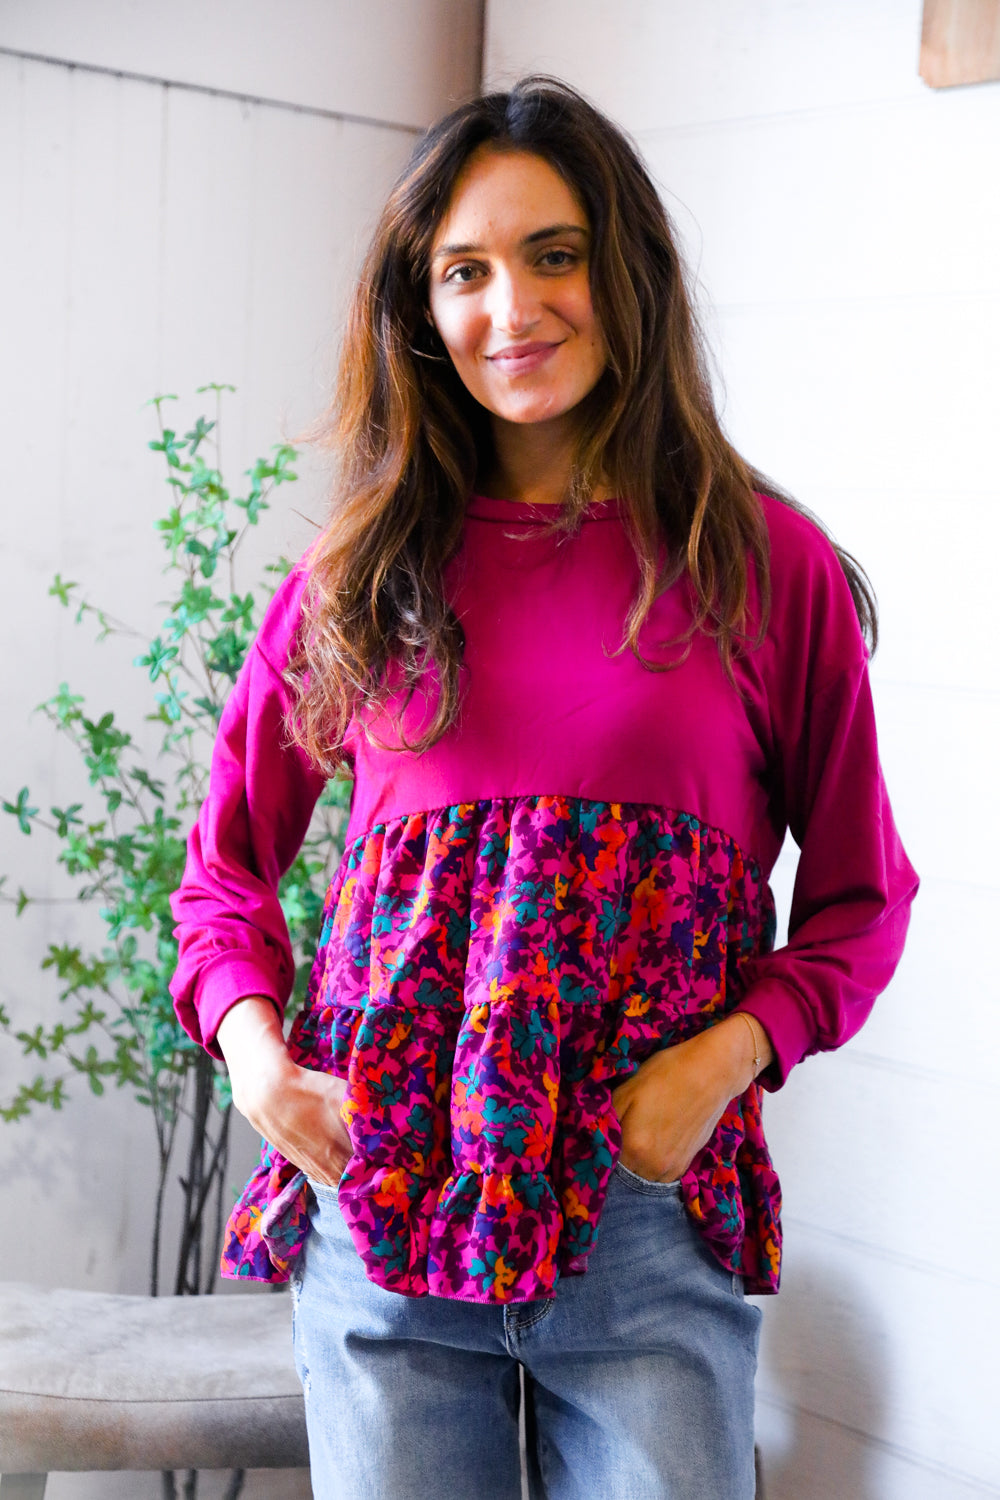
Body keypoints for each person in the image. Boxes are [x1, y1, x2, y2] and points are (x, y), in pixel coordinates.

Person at [170, 77, 918, 1500]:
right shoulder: (356, 583)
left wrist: (718, 1064)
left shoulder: (762, 567)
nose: (512, 308)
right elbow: (221, 878)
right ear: (422, 312)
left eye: (553, 254)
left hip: (643, 1221)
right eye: (465, 272)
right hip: (383, 1208)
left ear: (622, 267)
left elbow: (860, 905)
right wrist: (260, 1062)